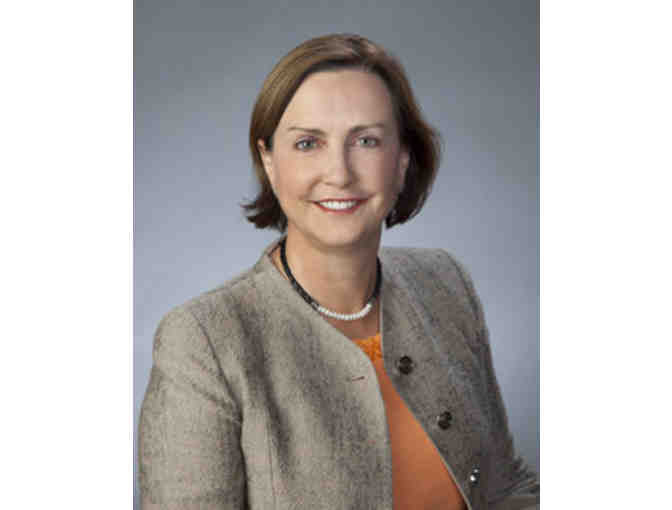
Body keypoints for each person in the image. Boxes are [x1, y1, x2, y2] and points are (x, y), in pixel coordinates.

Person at [138, 33, 539, 510]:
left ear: (402, 159)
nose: (340, 173)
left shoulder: (445, 283)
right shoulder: (204, 341)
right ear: (269, 161)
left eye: (366, 141)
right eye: (308, 143)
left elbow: (505, 489)